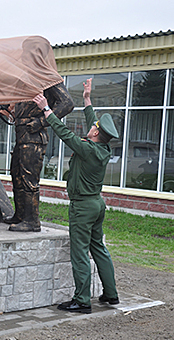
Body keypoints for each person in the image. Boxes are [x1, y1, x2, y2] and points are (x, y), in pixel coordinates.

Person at [33, 78, 120, 314]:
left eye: (94, 127)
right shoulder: (101, 147)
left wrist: (46, 109)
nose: (91, 126)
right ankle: (111, 295)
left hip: (83, 207)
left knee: (80, 252)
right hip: (96, 204)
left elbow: (64, 133)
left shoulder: (88, 149)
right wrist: (87, 98)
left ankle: (82, 300)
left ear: (95, 134)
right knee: (98, 248)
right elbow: (92, 120)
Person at [7, 82, 74, 232]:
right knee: (16, 174)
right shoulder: (25, 78)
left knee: (29, 178)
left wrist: (41, 121)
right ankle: (20, 215)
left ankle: (32, 220)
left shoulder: (46, 77)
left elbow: (67, 103)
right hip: (21, 135)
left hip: (34, 137)